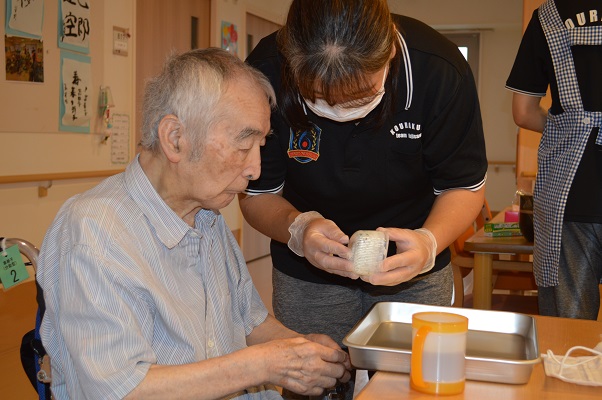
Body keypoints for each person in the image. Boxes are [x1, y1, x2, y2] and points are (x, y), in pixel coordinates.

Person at [36, 48, 351, 400]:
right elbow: (122, 391)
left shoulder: (207, 217)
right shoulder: (94, 234)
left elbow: (250, 322)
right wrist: (264, 364)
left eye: (261, 145)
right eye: (243, 145)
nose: (256, 169)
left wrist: (303, 351)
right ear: (175, 138)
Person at [240, 1, 487, 397]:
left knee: (414, 386)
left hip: (413, 272)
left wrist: (428, 243)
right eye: (319, 95)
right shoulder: (265, 72)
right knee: (312, 384)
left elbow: (464, 187)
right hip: (307, 273)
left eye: (357, 96)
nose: (340, 109)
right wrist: (298, 229)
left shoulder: (438, 70)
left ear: (388, 53)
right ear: (292, 62)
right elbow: (257, 194)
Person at [506, 0, 602, 320]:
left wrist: (572, 127)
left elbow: (523, 112)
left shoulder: (549, 16)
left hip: (574, 187)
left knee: (569, 328)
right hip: (576, 191)